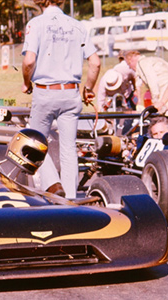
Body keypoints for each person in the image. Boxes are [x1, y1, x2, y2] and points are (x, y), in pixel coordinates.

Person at [21, 0, 100, 198]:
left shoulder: (36, 24)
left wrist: (26, 82)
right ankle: (71, 198)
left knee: (33, 142)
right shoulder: (77, 26)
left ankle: (53, 184)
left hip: (46, 91)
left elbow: (29, 60)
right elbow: (95, 62)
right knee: (68, 148)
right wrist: (88, 88)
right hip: (71, 92)